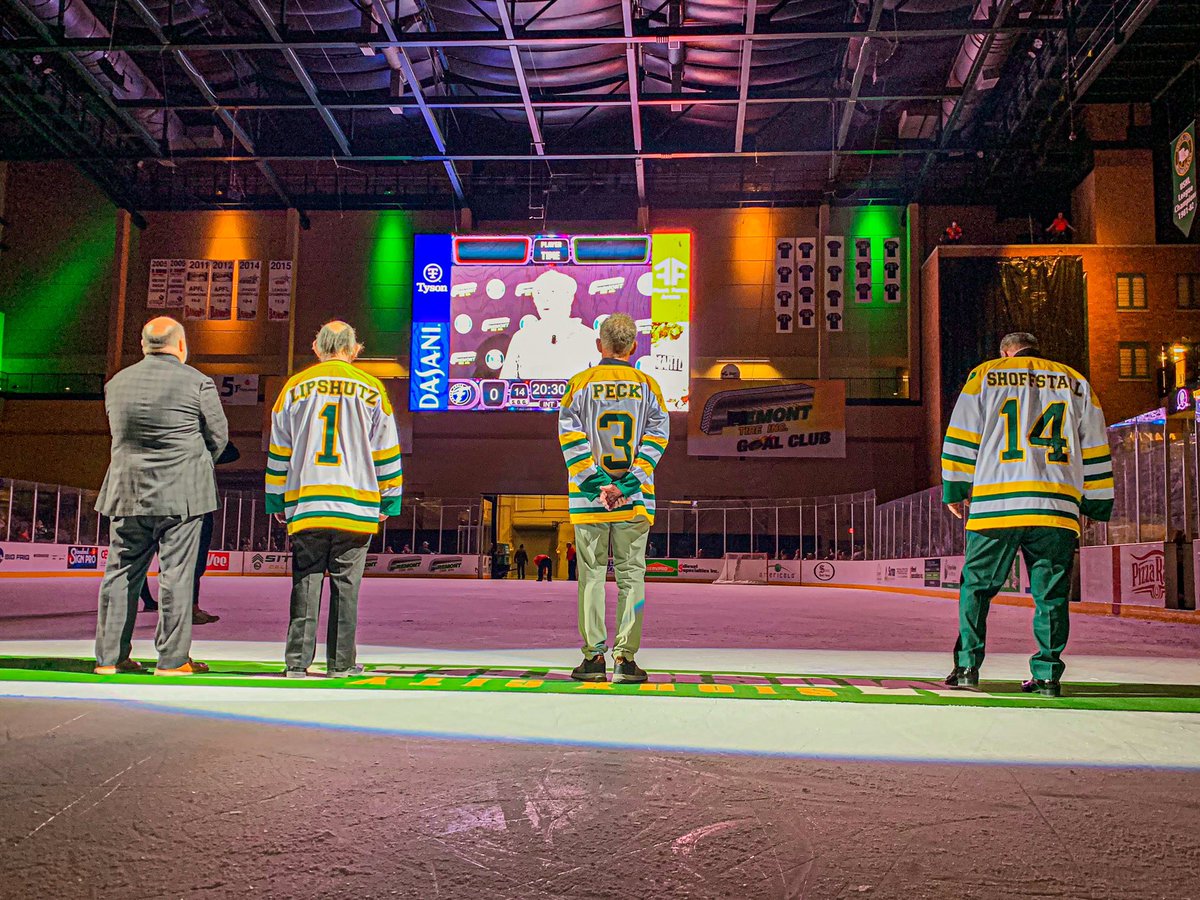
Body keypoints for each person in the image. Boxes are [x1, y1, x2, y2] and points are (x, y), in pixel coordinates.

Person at [942, 332, 1113, 697]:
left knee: (977, 587)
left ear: (1006, 352)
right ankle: (1048, 675)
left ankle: (968, 666)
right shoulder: (1075, 381)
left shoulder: (985, 376)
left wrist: (955, 489)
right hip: (1056, 506)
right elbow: (1095, 443)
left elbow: (962, 435)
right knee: (1051, 595)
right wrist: (1096, 501)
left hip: (996, 506)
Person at [266, 321, 403, 678]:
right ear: (355, 349)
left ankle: (297, 662)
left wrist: (276, 499)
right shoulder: (372, 389)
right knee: (346, 586)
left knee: (306, 582)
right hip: (356, 505)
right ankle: (341, 664)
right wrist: (389, 499)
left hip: (307, 502)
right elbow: (386, 450)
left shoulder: (294, 387)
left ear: (316, 346)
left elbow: (279, 448)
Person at [93, 317, 228, 676]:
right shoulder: (198, 382)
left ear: (143, 345)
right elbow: (219, 438)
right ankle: (172, 660)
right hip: (182, 497)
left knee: (119, 573)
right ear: (181, 345)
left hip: (127, 493)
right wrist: (193, 466)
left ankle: (109, 658)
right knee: (176, 576)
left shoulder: (116, 383)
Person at [559, 313, 670, 684]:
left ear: (599, 345)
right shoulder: (648, 385)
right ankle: (625, 659)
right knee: (631, 578)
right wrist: (626, 485)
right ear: (634, 347)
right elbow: (658, 437)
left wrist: (597, 484)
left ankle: (593, 659)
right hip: (634, 500)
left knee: (590, 577)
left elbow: (570, 438)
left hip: (589, 500)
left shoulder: (579, 384)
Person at [141, 441, 240, 622]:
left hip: (183, 503)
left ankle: (188, 608)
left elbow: (233, 453)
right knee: (185, 562)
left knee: (189, 563)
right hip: (188, 504)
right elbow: (232, 452)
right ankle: (180, 611)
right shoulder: (188, 444)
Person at [498, 269, 601, 380]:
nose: (545, 300)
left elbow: (601, 386)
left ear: (569, 298)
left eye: (553, 293)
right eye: (539, 294)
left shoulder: (589, 338)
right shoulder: (521, 338)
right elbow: (506, 386)